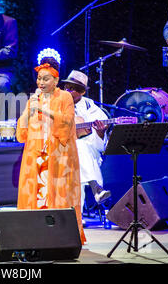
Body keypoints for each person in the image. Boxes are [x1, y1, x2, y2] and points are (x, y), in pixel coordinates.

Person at [16, 63, 86, 244]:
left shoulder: (65, 97)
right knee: (37, 194)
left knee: (58, 194)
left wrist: (44, 110)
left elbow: (68, 122)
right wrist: (28, 110)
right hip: (36, 154)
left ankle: (61, 237)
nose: (41, 82)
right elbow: (21, 134)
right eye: (39, 78)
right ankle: (34, 236)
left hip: (59, 155)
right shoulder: (33, 99)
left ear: (56, 80)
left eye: (45, 79)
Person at [62, 71, 111, 218]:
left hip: (89, 152)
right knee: (78, 150)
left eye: (72, 89)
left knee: (80, 148)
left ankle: (77, 215)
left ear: (82, 92)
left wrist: (101, 133)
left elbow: (99, 146)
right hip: (61, 150)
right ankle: (96, 188)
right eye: (66, 87)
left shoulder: (91, 107)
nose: (67, 91)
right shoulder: (57, 104)